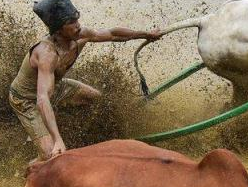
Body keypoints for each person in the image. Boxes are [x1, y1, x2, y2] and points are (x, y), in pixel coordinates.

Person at [9, 0, 161, 162]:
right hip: (26, 101)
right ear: (59, 29)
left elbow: (112, 34)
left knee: (97, 99)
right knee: (50, 156)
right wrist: (57, 139)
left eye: (77, 18)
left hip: (56, 87)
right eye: (71, 22)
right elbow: (42, 99)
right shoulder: (47, 54)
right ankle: (31, 173)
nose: (78, 25)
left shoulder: (80, 34)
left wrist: (146, 34)